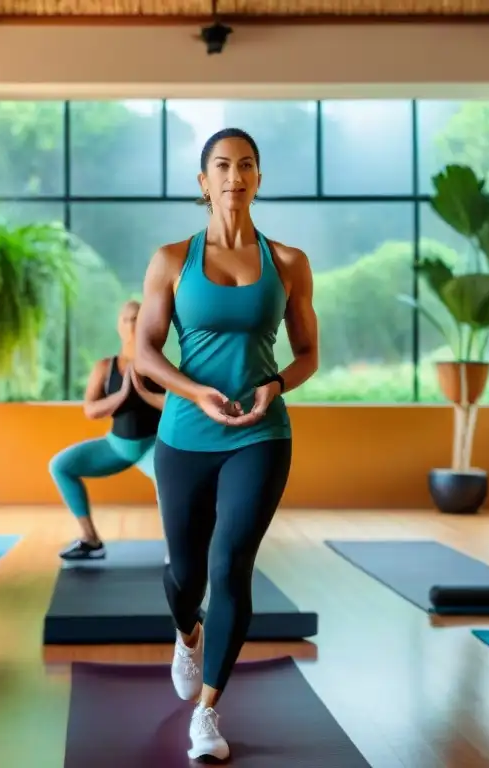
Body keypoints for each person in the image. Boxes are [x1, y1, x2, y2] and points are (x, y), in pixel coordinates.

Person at [135, 127, 319, 761]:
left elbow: (309, 355)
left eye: (246, 165)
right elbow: (146, 354)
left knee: (230, 565)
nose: (234, 176)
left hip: (261, 435)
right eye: (222, 165)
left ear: (259, 178)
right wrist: (194, 392)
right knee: (185, 576)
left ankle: (207, 713)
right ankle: (187, 636)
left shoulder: (289, 262)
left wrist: (274, 386)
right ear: (203, 181)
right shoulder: (171, 259)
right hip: (185, 436)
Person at [51, 300, 166, 562]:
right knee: (60, 465)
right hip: (116, 446)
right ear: (118, 327)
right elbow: (91, 410)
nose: (132, 324)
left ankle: (178, 548)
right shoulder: (105, 367)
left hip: (152, 446)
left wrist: (144, 394)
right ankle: (90, 540)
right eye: (126, 319)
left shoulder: (160, 365)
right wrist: (123, 395)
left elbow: (177, 407)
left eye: (138, 318)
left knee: (170, 478)